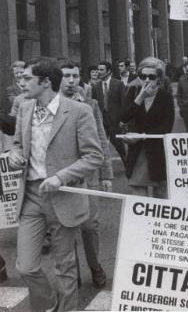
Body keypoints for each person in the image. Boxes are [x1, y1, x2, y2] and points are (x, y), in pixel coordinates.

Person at [9, 58, 103, 311]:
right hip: (30, 196)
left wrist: (61, 176)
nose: (22, 82)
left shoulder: (78, 111)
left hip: (64, 196)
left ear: (46, 81)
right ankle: (49, 304)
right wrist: (15, 155)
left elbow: (94, 156)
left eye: (28, 78)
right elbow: (17, 144)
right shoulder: (25, 108)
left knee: (64, 266)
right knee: (25, 266)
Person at [59, 61, 113, 288]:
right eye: (66, 76)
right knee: (65, 226)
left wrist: (106, 174)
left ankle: (95, 265)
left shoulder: (91, 104)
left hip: (88, 174)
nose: (71, 80)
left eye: (75, 75)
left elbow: (101, 138)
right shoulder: (49, 105)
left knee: (90, 226)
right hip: (61, 175)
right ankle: (73, 271)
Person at [121, 57, 174, 198]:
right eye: (142, 76)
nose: (146, 80)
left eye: (151, 77)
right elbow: (124, 117)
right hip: (137, 152)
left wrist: (142, 136)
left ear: (159, 78)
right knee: (139, 193)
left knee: (161, 196)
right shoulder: (133, 93)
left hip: (157, 151)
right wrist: (140, 98)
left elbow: (167, 126)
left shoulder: (166, 97)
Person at [92, 61, 127, 163]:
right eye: (98, 69)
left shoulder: (118, 84)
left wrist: (123, 120)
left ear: (108, 71)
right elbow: (95, 104)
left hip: (115, 121)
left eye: (101, 70)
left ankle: (128, 165)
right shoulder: (96, 86)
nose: (99, 72)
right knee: (100, 145)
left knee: (119, 145)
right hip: (102, 121)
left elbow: (124, 103)